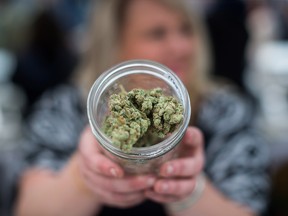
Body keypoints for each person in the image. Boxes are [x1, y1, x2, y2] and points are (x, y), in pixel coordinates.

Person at [12, 0, 270, 215]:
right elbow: (29, 209)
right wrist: (85, 175)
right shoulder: (65, 109)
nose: (181, 47)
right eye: (157, 33)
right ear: (115, 44)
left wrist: (188, 189)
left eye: (186, 29)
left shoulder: (226, 111)